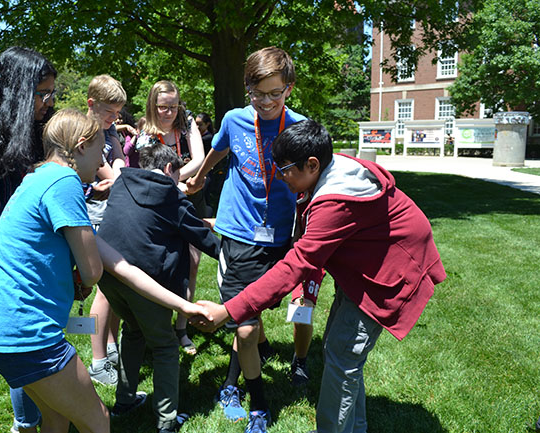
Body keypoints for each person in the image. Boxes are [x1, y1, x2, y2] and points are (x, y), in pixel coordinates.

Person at [193, 119, 447, 433]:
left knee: (343, 354)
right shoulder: (329, 169)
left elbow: (298, 263)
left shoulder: (335, 200)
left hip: (389, 271)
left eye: (285, 170)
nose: (281, 177)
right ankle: (355, 428)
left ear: (312, 164)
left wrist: (228, 310)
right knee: (338, 350)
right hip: (364, 265)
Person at [0, 108, 214, 433]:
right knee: (98, 420)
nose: (103, 163)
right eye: (102, 151)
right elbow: (92, 272)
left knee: (58, 420)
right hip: (27, 333)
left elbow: (120, 265)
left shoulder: (36, 176)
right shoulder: (64, 181)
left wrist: (183, 306)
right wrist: (80, 273)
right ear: (82, 146)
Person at [186, 46, 306, 432]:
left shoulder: (300, 127)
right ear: (247, 89)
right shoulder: (235, 120)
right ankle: (256, 401)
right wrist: (202, 176)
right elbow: (218, 149)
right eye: (259, 93)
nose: (267, 102)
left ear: (288, 88)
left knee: (249, 322)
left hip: (280, 237)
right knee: (246, 326)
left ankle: (233, 380)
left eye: (276, 93)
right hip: (238, 233)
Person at [97, 142, 220, 433]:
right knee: (165, 345)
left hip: (108, 277)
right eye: (177, 176)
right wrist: (234, 257)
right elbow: (203, 237)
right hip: (145, 282)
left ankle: (125, 400)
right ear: (168, 169)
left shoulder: (123, 181)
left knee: (133, 331)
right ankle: (167, 420)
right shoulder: (170, 195)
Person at [0, 46, 57, 433]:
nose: (48, 102)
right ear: (19, 92)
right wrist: (2, 269)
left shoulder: (41, 132)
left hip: (41, 252)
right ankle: (26, 423)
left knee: (45, 334)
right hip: (2, 255)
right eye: (42, 94)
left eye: (52, 93)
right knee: (22, 339)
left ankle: (51, 405)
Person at [137, 80, 206, 355]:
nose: (168, 112)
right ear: (153, 106)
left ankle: (182, 328)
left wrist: (178, 182)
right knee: (160, 265)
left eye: (173, 106)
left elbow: (199, 159)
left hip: (189, 199)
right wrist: (175, 184)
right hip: (160, 203)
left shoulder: (187, 123)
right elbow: (149, 169)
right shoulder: (145, 132)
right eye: (163, 107)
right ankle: (155, 325)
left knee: (192, 262)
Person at [84, 74, 128, 387]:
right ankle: (98, 361)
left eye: (117, 114)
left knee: (113, 288)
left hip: (108, 210)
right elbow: (110, 172)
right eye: (109, 113)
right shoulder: (85, 132)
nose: (114, 119)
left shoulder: (107, 130)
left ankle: (111, 346)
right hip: (92, 215)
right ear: (91, 105)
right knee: (103, 287)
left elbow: (119, 166)